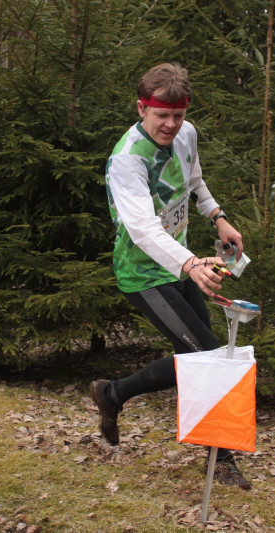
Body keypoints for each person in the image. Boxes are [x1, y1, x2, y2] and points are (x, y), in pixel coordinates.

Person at [89, 62, 251, 490]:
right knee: (209, 355)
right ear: (142, 108)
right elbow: (142, 229)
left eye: (178, 115)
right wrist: (191, 264)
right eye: (161, 115)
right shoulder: (127, 160)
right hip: (144, 273)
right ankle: (222, 460)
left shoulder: (187, 133)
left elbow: (194, 182)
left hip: (180, 264)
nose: (171, 125)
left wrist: (217, 217)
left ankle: (113, 394)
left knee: (202, 356)